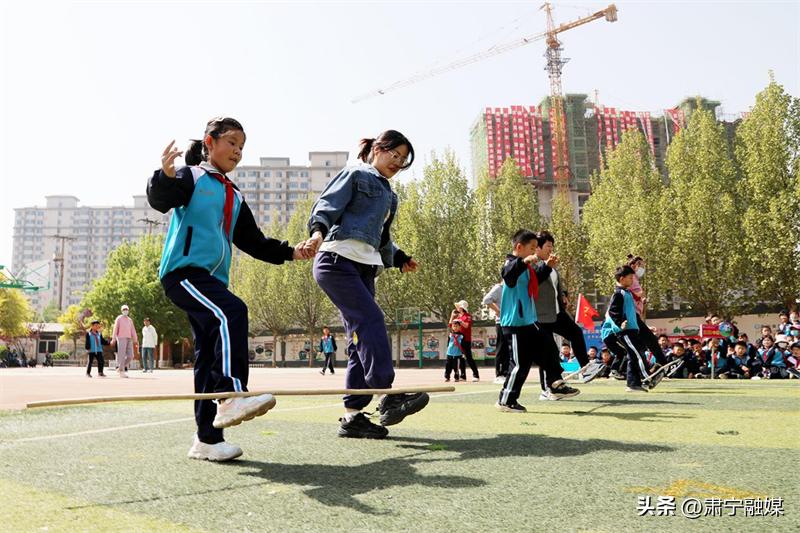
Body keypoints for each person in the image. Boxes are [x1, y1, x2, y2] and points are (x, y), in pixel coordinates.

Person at [148, 116, 314, 461]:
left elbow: (252, 241)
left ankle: (207, 440)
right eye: (231, 143)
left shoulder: (233, 194)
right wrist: (163, 175)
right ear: (210, 142)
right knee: (233, 311)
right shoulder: (191, 176)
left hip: (210, 281)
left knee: (207, 354)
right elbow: (163, 199)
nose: (237, 151)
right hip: (183, 273)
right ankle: (231, 393)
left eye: (242, 147)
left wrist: (292, 252)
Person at [306, 129, 428, 439]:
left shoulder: (389, 194)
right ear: (377, 149)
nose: (397, 163)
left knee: (358, 339)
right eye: (394, 155)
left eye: (403, 160)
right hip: (336, 261)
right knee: (372, 320)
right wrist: (318, 231)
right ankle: (387, 393)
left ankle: (353, 416)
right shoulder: (356, 174)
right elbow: (327, 205)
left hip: (365, 268)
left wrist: (399, 257)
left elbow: (381, 236)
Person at [496, 229, 578, 413]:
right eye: (532, 248)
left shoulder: (526, 267)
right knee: (519, 365)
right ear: (519, 247)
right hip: (514, 323)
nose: (535, 252)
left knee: (548, 345)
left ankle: (555, 383)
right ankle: (505, 401)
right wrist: (523, 261)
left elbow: (535, 281)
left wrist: (547, 266)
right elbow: (508, 277)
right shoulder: (511, 263)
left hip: (528, 321)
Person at [533, 231, 605, 384]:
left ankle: (586, 368)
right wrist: (547, 266)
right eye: (548, 246)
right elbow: (535, 281)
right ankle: (548, 387)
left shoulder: (551, 266)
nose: (551, 249)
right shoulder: (533, 263)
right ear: (537, 248)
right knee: (549, 351)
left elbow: (554, 286)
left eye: (552, 246)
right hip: (541, 316)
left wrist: (563, 295)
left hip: (557, 312)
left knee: (576, 332)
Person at [600, 265, 663, 392]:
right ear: (622, 279)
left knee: (634, 356)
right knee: (638, 355)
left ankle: (633, 383)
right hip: (625, 331)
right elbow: (613, 311)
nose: (632, 280)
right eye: (630, 278)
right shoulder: (619, 293)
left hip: (632, 330)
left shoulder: (627, 292)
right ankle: (648, 377)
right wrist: (620, 323)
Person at [482, 282, 509, 384]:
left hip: (510, 322)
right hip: (501, 322)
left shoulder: (512, 288)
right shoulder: (499, 288)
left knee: (507, 348)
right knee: (501, 347)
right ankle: (499, 374)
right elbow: (486, 300)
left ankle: (506, 372)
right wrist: (498, 311)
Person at [450, 300, 479, 382]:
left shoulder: (467, 316)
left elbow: (466, 326)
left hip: (466, 340)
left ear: (462, 308)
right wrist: (452, 316)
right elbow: (451, 325)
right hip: (458, 340)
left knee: (469, 357)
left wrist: (460, 321)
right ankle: (463, 376)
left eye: (459, 306)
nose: (457, 308)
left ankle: (476, 374)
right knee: (460, 358)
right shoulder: (458, 316)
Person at [112, 305, 138, 378]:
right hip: (121, 338)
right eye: (124, 309)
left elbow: (133, 330)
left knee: (131, 356)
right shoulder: (119, 318)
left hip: (129, 338)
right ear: (121, 310)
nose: (125, 310)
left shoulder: (130, 320)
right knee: (121, 355)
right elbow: (115, 328)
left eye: (126, 309)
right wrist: (113, 338)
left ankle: (120, 367)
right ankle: (121, 371)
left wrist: (135, 340)